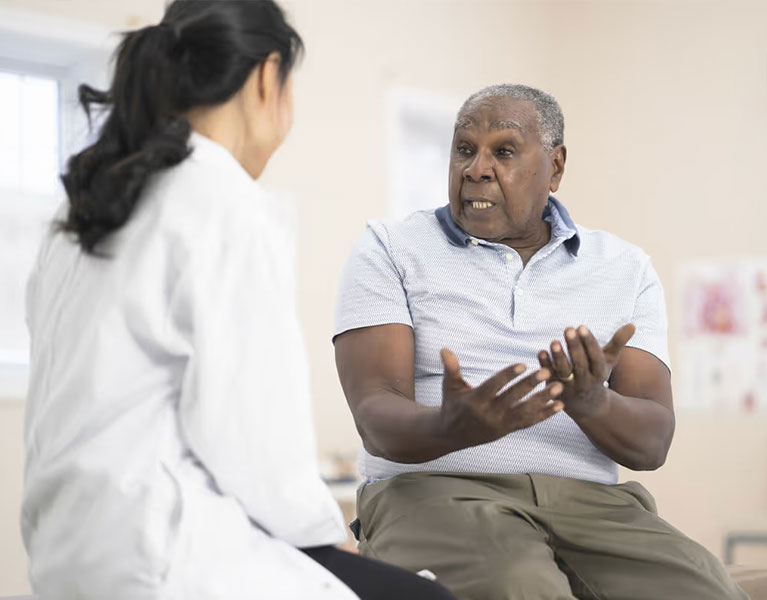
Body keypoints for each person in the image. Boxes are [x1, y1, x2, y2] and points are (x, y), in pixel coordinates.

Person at [21, 2, 457, 599]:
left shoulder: (80, 209)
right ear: (265, 76)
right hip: (163, 553)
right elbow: (253, 438)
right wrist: (328, 536)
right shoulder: (217, 197)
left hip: (64, 554)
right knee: (424, 595)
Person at [334, 84, 748, 600]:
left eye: (503, 151)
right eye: (465, 149)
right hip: (433, 493)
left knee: (706, 589)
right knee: (521, 586)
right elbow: (374, 413)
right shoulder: (390, 247)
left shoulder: (626, 269)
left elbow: (652, 442)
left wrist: (594, 403)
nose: (476, 168)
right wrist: (450, 425)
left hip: (592, 506)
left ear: (554, 168)